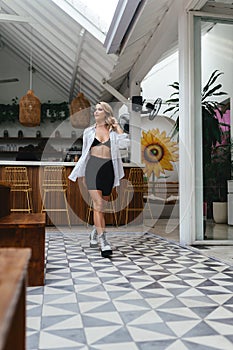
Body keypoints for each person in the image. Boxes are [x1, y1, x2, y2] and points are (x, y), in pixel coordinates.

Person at [69, 101, 128, 257]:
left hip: (109, 169)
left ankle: (95, 230)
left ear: (106, 113)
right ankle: (104, 241)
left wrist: (117, 126)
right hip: (92, 168)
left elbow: (125, 145)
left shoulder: (113, 132)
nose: (96, 112)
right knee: (99, 204)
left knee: (103, 206)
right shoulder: (88, 132)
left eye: (99, 109)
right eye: (95, 110)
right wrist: (82, 174)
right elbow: (84, 155)